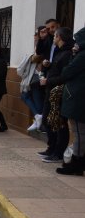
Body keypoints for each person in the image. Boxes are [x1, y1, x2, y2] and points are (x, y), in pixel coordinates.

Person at [38, 27, 74, 163]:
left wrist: (48, 80)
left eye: (55, 36)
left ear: (60, 38)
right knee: (48, 120)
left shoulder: (67, 54)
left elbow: (64, 76)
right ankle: (51, 148)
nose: (53, 38)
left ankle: (58, 152)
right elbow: (57, 69)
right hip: (51, 90)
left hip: (58, 92)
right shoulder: (60, 52)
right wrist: (48, 65)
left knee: (58, 123)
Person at [56, 27, 85, 175]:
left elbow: (67, 72)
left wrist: (74, 54)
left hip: (77, 99)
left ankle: (77, 164)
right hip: (78, 98)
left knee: (79, 133)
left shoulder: (81, 56)